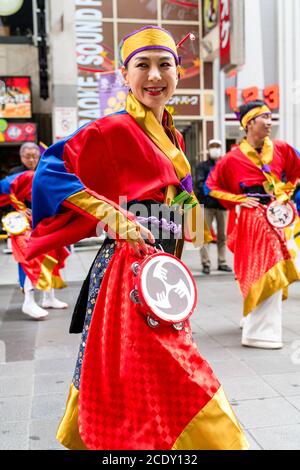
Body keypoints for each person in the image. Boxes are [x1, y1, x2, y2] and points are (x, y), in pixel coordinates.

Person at [26, 26, 248, 450]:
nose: (154, 75)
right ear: (123, 74)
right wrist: (111, 214)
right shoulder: (113, 128)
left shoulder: (173, 135)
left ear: (178, 73)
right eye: (141, 65)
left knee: (140, 376)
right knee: (176, 373)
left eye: (164, 64)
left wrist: (191, 220)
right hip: (127, 274)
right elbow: (50, 172)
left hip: (162, 273)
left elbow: (172, 197)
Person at [206, 100, 300, 349]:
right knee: (258, 269)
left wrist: (284, 193)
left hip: (276, 216)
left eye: (271, 117)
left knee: (273, 267)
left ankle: (259, 326)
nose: (270, 122)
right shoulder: (231, 158)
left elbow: (296, 173)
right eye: (264, 118)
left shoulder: (281, 148)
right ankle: (258, 331)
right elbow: (211, 187)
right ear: (249, 123)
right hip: (250, 217)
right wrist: (239, 199)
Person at [0, 169, 69, 319]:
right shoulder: (23, 178)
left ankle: (49, 297)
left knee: (52, 251)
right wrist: (19, 209)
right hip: (19, 225)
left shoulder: (48, 178)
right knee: (30, 259)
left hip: (35, 222)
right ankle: (28, 301)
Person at [195, 139, 232, 274]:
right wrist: (211, 193)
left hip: (222, 206)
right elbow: (199, 184)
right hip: (207, 205)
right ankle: (206, 262)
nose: (215, 149)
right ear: (209, 149)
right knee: (204, 235)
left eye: (217, 146)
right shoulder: (202, 167)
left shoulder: (225, 165)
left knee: (222, 236)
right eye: (213, 147)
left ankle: (222, 262)